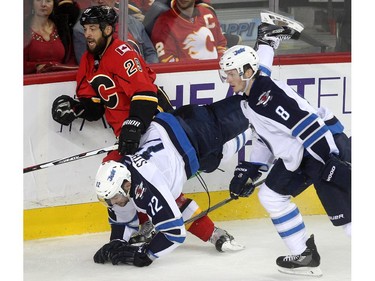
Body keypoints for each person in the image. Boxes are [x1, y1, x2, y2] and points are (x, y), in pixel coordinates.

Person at [51, 4, 244, 255]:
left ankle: (207, 232)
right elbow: (97, 105)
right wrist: (77, 109)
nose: (87, 34)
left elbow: (145, 92)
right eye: (85, 28)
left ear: (108, 29)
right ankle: (175, 229)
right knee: (135, 186)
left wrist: (134, 126)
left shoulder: (122, 52)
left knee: (163, 188)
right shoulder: (89, 60)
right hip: (130, 135)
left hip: (155, 128)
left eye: (93, 29)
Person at [219, 44, 351, 277]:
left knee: (348, 219)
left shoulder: (267, 97)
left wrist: (330, 162)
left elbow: (306, 125)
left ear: (248, 71)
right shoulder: (251, 98)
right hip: (301, 155)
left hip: (321, 150)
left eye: (231, 73)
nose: (228, 79)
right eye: (226, 73)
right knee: (271, 196)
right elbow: (266, 138)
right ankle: (304, 255)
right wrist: (252, 169)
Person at [92, 94, 256, 267]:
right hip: (178, 123)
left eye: (114, 198)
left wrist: (146, 255)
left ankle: (258, 125)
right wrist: (116, 242)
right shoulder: (121, 171)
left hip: (198, 133)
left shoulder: (148, 187)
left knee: (249, 117)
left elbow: (175, 232)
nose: (113, 203)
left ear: (126, 185)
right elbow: (125, 218)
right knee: (244, 114)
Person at [73, 0, 159, 64]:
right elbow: (89, 67)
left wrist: (143, 72)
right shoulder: (81, 30)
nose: (100, 1)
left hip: (139, 80)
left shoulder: (133, 23)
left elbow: (151, 54)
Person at [150, 0, 227, 63]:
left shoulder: (207, 14)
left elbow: (221, 44)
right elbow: (167, 60)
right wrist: (198, 67)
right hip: (186, 77)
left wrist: (218, 64)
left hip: (216, 73)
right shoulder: (163, 24)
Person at [24, 0, 80, 74]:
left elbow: (71, 59)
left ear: (53, 4)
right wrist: (36, 66)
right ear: (32, 3)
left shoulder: (62, 27)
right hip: (31, 82)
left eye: (48, 1)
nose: (43, 4)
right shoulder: (23, 28)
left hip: (61, 80)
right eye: (38, 0)